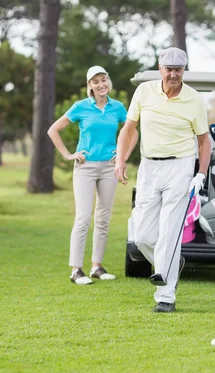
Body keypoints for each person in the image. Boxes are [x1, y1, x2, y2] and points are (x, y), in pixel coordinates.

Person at [115, 47, 212, 313]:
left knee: (170, 230)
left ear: (183, 71)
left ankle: (165, 297)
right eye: (168, 69)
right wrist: (121, 159)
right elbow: (129, 129)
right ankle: (171, 262)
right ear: (160, 68)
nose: (172, 74)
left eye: (178, 70)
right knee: (143, 235)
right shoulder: (144, 92)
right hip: (149, 166)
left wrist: (200, 173)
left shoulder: (194, 100)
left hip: (180, 166)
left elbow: (205, 142)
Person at [48, 66, 132, 285]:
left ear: (108, 82)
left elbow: (132, 132)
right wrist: (68, 155)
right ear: (90, 86)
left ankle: (97, 267)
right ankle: (76, 270)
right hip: (85, 167)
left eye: (104, 80)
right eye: (95, 82)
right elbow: (53, 130)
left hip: (109, 168)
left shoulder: (118, 107)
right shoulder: (81, 107)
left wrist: (122, 157)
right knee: (83, 217)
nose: (101, 84)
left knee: (103, 218)